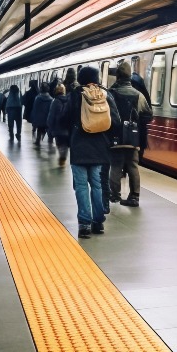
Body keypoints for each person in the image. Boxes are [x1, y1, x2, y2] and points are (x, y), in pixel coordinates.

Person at [68, 66, 120, 239]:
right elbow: (116, 121)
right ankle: (98, 222)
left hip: (79, 148)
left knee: (81, 186)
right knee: (97, 185)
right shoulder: (106, 95)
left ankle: (84, 224)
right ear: (97, 78)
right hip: (99, 147)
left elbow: (63, 117)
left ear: (81, 79)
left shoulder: (76, 94)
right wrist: (106, 137)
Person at [109, 61, 152, 207]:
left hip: (115, 136)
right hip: (132, 137)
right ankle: (134, 197)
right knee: (133, 166)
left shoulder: (111, 93)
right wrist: (136, 122)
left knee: (115, 165)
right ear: (129, 77)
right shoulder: (138, 95)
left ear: (118, 76)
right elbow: (148, 115)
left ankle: (114, 195)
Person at [46, 83, 71, 166]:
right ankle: (63, 158)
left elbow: (51, 115)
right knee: (65, 144)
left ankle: (62, 157)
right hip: (67, 127)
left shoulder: (55, 101)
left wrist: (49, 126)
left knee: (60, 144)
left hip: (58, 128)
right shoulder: (69, 100)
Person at [31, 83, 53, 147]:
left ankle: (38, 141)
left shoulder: (37, 98)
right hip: (47, 119)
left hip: (39, 119)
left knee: (39, 130)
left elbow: (35, 110)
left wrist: (33, 119)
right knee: (49, 131)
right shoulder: (51, 99)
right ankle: (50, 142)